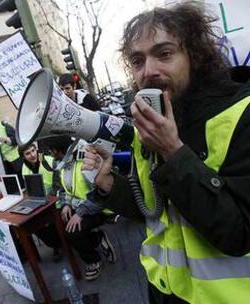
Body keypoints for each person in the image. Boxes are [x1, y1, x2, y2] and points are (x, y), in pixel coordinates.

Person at [84, 4, 250, 303]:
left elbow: (239, 233)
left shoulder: (241, 115)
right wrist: (108, 184)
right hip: (163, 290)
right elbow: (152, 209)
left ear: (195, 57)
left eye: (164, 54)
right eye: (137, 61)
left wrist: (174, 152)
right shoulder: (147, 129)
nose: (148, 71)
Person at [43, 136, 116, 281]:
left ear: (58, 151)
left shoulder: (86, 160)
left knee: (72, 231)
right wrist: (65, 205)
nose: (51, 155)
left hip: (101, 209)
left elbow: (99, 195)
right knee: (62, 223)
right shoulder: (63, 164)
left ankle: (93, 261)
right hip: (82, 207)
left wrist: (80, 213)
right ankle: (97, 239)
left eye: (51, 152)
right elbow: (64, 190)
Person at [18, 143, 62, 261]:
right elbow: (29, 189)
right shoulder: (24, 167)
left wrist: (50, 197)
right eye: (28, 153)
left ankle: (59, 245)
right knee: (33, 226)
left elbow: (59, 183)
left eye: (33, 151)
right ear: (23, 156)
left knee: (49, 221)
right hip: (39, 202)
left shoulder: (48, 160)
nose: (32, 155)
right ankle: (56, 245)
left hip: (56, 200)